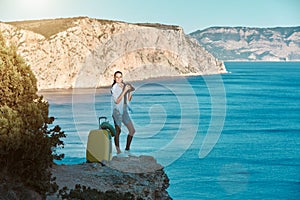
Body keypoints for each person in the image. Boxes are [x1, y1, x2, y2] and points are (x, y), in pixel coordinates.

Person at [111, 71, 135, 155]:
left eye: (120, 77)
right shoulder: (114, 88)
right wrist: (124, 91)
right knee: (118, 132)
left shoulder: (124, 85)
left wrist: (130, 91)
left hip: (124, 111)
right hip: (117, 112)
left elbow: (128, 99)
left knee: (132, 130)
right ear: (114, 78)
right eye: (117, 77)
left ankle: (127, 150)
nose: (119, 79)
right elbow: (117, 101)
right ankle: (118, 151)